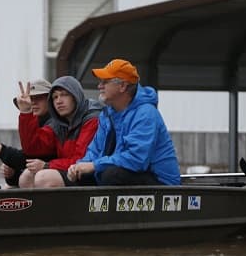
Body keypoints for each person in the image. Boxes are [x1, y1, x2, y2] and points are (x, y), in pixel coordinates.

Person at [67, 58, 181, 186]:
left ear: (122, 86)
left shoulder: (146, 113)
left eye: (105, 82)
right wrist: (78, 166)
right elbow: (95, 150)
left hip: (161, 183)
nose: (99, 86)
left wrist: (94, 165)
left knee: (111, 175)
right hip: (129, 173)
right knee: (82, 175)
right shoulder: (107, 114)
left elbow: (137, 159)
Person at [17, 75, 100, 188]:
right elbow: (33, 148)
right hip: (70, 170)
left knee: (44, 178)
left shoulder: (92, 119)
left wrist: (47, 165)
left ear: (76, 96)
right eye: (55, 97)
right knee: (26, 176)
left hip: (90, 173)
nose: (59, 101)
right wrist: (26, 111)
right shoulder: (59, 122)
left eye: (64, 95)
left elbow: (82, 160)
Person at [0, 78, 54, 186]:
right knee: (11, 184)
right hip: (49, 173)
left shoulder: (55, 124)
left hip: (61, 173)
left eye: (39, 97)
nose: (33, 102)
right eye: (30, 98)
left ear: (50, 100)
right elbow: (30, 157)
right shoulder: (38, 122)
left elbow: (34, 154)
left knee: (28, 176)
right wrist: (12, 174)